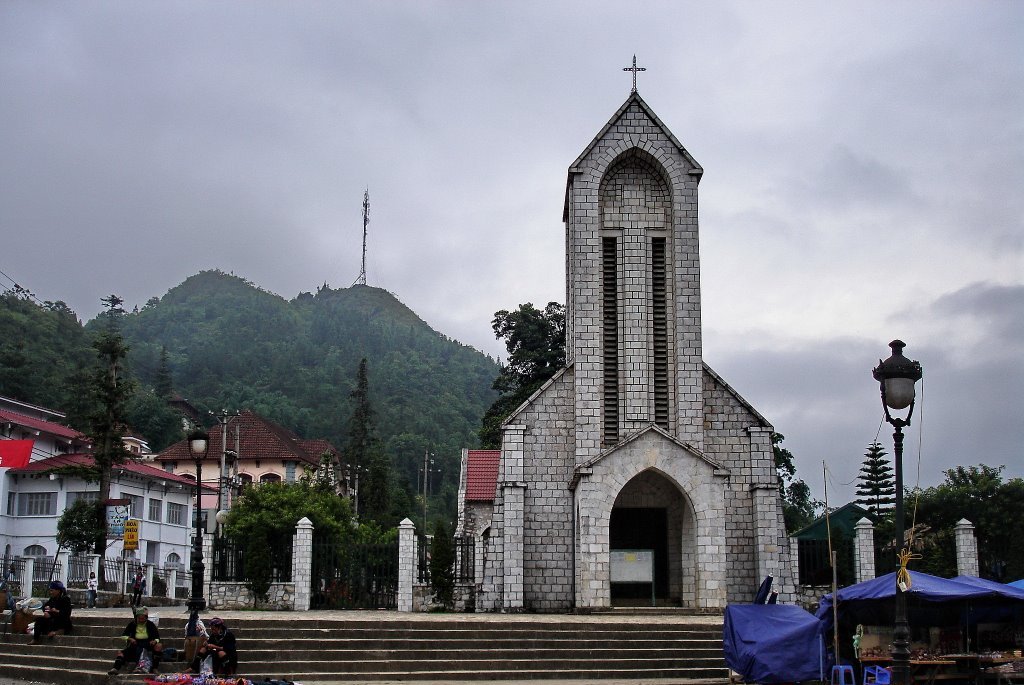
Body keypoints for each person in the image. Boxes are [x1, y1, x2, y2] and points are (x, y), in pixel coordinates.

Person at [109, 606, 162, 675]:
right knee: (121, 653)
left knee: (159, 645)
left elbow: (157, 637)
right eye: (139, 619)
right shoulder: (132, 624)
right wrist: (130, 639)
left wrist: (154, 641)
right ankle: (115, 668)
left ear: (146, 618)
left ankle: (155, 668)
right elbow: (124, 636)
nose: (141, 620)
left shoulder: (150, 624)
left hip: (148, 644)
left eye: (143, 619)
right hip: (135, 644)